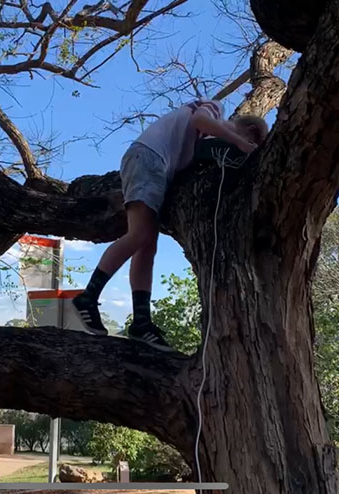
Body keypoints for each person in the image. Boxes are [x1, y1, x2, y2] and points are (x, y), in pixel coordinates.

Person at [73, 99, 269, 351]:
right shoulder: (214, 109)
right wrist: (240, 142)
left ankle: (141, 321)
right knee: (139, 235)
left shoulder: (194, 142)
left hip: (154, 164)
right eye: (249, 141)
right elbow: (200, 120)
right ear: (249, 131)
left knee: (147, 246)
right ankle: (87, 297)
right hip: (149, 158)